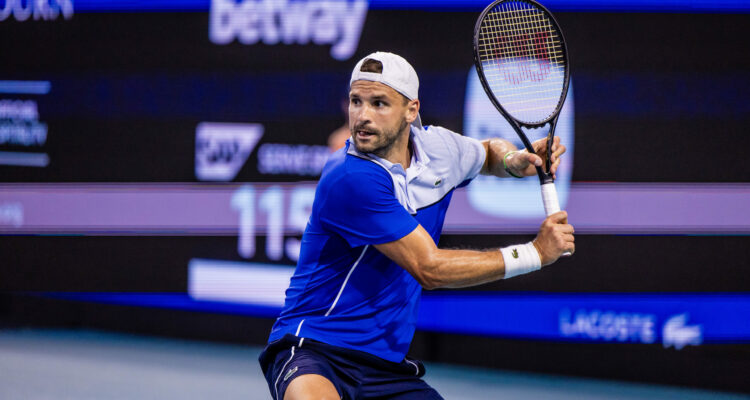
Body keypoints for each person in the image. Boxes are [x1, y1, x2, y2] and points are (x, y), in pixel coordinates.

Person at [259, 51, 574, 400]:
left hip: (385, 365)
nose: (362, 116)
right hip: (314, 347)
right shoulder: (350, 177)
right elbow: (430, 269)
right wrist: (535, 253)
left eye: (379, 103)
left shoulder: (439, 148)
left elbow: (486, 153)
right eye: (356, 101)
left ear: (412, 110)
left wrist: (514, 161)